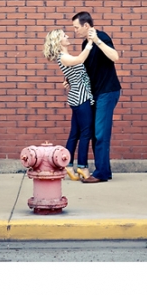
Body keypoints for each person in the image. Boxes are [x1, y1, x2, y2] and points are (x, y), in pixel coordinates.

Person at [71, 11, 121, 183]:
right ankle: (104, 170)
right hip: (95, 93)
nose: (75, 31)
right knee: (94, 132)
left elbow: (115, 57)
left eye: (76, 27)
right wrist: (69, 79)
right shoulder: (85, 43)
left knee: (100, 133)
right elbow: (85, 67)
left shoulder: (102, 37)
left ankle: (101, 173)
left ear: (86, 25)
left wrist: (98, 41)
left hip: (107, 91)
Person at [43, 29, 94, 181]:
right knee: (86, 133)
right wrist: (90, 42)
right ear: (59, 41)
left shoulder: (66, 56)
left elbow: (74, 72)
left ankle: (68, 165)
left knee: (75, 134)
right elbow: (80, 60)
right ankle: (82, 167)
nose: (68, 36)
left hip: (77, 97)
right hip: (81, 98)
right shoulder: (63, 57)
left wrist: (68, 80)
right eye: (64, 36)